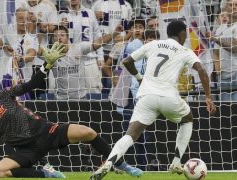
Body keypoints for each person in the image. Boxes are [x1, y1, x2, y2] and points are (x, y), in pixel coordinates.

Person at [0, 42, 141, 178]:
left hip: (47, 131)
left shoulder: (2, 95)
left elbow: (33, 84)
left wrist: (45, 66)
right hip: (27, 150)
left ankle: (120, 163)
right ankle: (44, 173)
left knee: (88, 132)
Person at [90, 20, 216, 180]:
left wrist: (139, 78)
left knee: (131, 134)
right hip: (169, 96)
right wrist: (208, 97)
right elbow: (202, 71)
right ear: (182, 34)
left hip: (146, 96)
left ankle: (108, 163)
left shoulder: (153, 44)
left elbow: (127, 61)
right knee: (187, 119)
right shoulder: (185, 50)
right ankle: (176, 162)